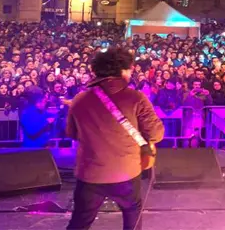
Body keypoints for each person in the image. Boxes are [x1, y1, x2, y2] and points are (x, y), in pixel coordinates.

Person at [65, 48, 164, 230]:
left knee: (79, 222)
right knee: (132, 215)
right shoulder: (135, 98)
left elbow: (71, 133)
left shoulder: (79, 100)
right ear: (123, 71)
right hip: (126, 171)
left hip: (90, 173)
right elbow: (156, 134)